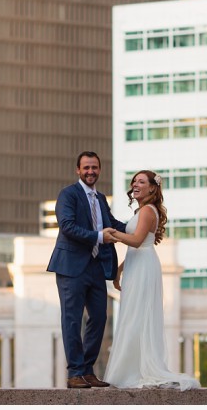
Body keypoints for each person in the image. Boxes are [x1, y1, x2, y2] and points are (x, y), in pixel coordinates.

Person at [102, 170, 200, 390]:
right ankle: (129, 369)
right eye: (134, 181)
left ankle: (133, 372)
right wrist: (119, 269)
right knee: (133, 315)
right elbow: (140, 245)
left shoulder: (147, 210)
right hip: (138, 264)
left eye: (141, 181)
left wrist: (111, 234)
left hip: (144, 267)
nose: (135, 184)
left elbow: (136, 241)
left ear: (152, 188)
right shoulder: (142, 210)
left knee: (138, 316)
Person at [46, 151, 129, 389]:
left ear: (99, 170)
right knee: (72, 320)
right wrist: (98, 237)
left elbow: (111, 224)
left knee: (99, 317)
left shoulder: (101, 198)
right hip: (71, 267)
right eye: (86, 168)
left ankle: (88, 370)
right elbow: (68, 226)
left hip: (95, 266)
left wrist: (140, 229)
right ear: (78, 170)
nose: (90, 171)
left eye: (94, 167)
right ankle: (74, 372)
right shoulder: (68, 195)